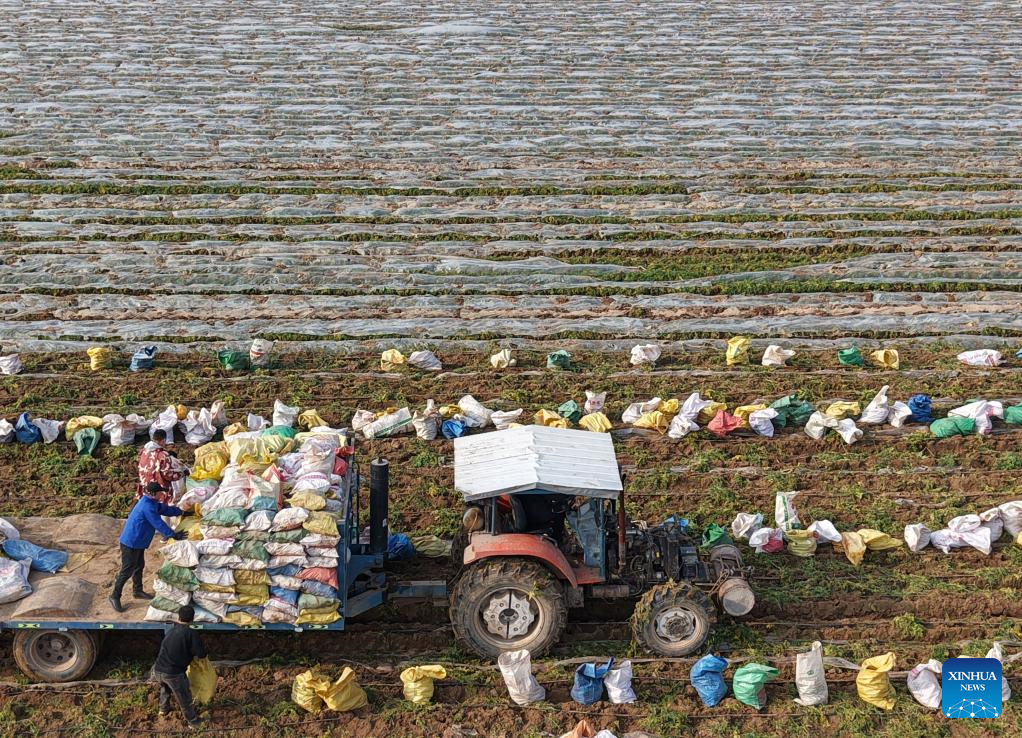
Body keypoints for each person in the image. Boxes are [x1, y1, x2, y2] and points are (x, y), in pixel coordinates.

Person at [109, 482, 185, 613]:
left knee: (139, 566)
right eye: (160, 493)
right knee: (127, 570)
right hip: (131, 542)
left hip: (138, 541)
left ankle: (137, 590)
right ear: (153, 494)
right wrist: (173, 535)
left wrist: (181, 511)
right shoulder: (147, 507)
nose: (162, 494)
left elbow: (164, 509)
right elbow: (158, 523)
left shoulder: (151, 502)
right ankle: (114, 595)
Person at [152, 605, 206, 729]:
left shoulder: (171, 631)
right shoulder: (191, 633)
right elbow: (201, 654)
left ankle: (163, 709)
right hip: (173, 673)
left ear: (179, 617)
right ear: (193, 619)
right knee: (184, 697)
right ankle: (193, 722)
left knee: (165, 688)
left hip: (158, 669)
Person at [137, 428, 185, 503]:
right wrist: (181, 474)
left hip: (145, 485)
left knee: (147, 504)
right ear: (163, 440)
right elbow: (167, 475)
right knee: (160, 506)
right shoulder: (163, 455)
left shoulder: (143, 451)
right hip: (158, 489)